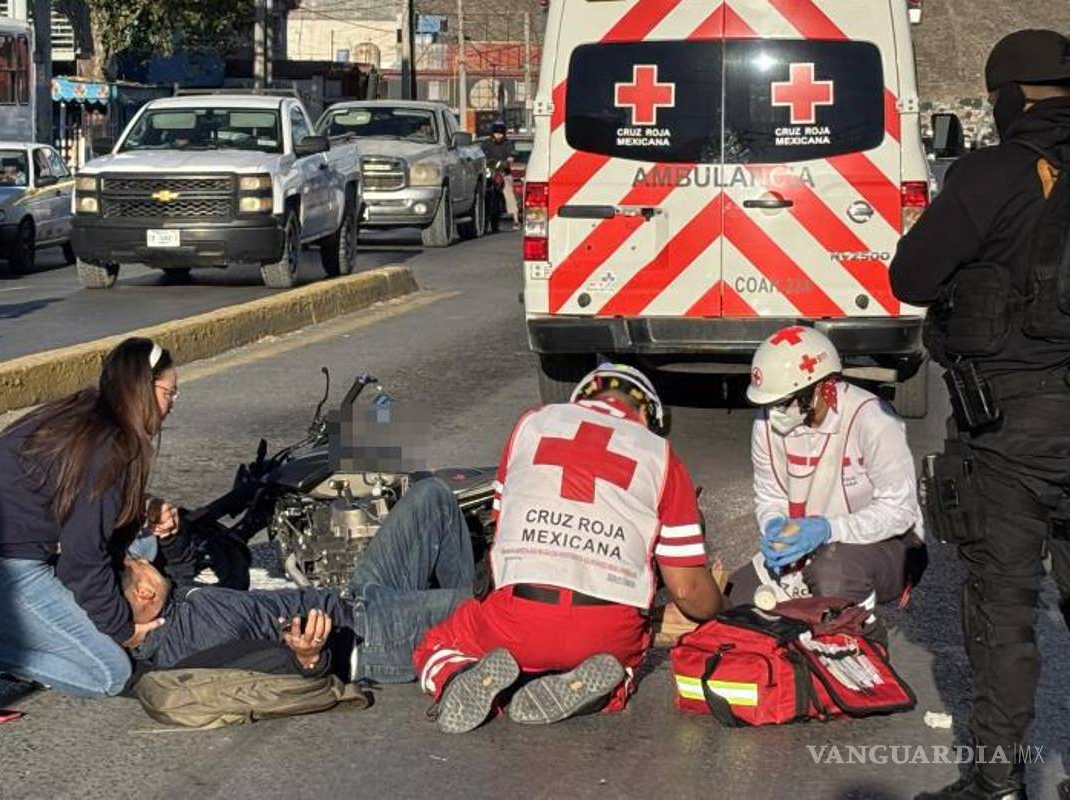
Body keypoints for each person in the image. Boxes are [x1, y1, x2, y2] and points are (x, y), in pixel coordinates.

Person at [889, 30, 1070, 800]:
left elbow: (914, 275)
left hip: (1010, 432)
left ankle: (995, 782)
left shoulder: (993, 173)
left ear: (1007, 99)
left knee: (1001, 605)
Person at [414, 363, 726, 734]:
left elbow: (503, 534)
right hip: (605, 631)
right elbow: (690, 591)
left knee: (436, 643)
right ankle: (606, 691)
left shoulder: (531, 425)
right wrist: (723, 608)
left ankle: (458, 676)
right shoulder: (660, 455)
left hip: (519, 616)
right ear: (646, 414)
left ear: (582, 399)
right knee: (620, 661)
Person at [0, 337, 182, 702]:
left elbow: (88, 514)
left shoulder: (89, 413)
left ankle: (38, 633)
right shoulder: (108, 447)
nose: (171, 406)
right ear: (144, 390)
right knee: (109, 672)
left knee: (145, 541)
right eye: (170, 393)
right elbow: (83, 561)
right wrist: (122, 629)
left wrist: (144, 510)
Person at [121, 478, 476, 683]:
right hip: (367, 635)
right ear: (144, 591)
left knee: (433, 496)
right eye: (141, 563)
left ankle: (461, 642)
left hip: (354, 600)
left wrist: (169, 535)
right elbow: (262, 673)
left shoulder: (171, 608)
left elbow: (182, 567)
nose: (148, 561)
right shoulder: (195, 641)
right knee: (491, 606)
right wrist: (308, 659)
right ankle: (470, 638)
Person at [726, 327, 926, 645]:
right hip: (811, 543)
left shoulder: (872, 418)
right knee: (734, 601)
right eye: (773, 403)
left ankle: (864, 642)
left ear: (823, 388)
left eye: (786, 402)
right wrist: (775, 527)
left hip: (889, 545)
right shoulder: (766, 423)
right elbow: (769, 494)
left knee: (831, 574)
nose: (777, 412)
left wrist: (827, 530)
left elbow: (899, 512)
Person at [479, 121, 520, 230]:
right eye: (496, 133)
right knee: (481, 192)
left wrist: (510, 158)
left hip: (504, 173)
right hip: (489, 173)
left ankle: (515, 219)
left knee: (508, 193)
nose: (498, 136)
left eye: (500, 134)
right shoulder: (487, 143)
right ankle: (482, 217)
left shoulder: (507, 143)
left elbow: (512, 153)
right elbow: (480, 153)